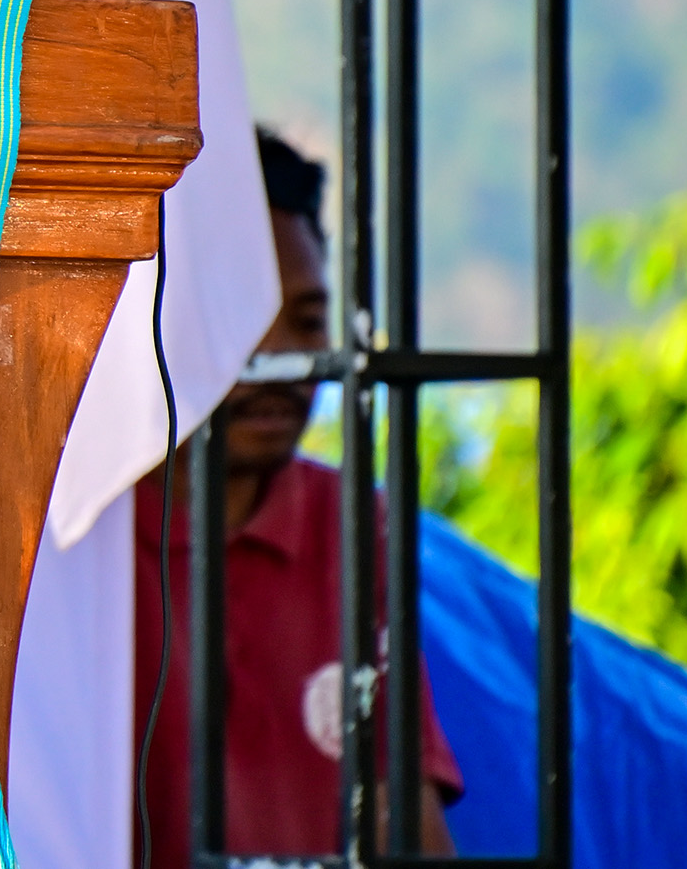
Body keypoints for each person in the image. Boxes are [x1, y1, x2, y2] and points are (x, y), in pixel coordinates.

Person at [133, 130, 462, 868]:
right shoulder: (84, 540)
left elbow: (398, 807)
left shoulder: (351, 524)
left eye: (309, 323)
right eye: (246, 326)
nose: (283, 362)